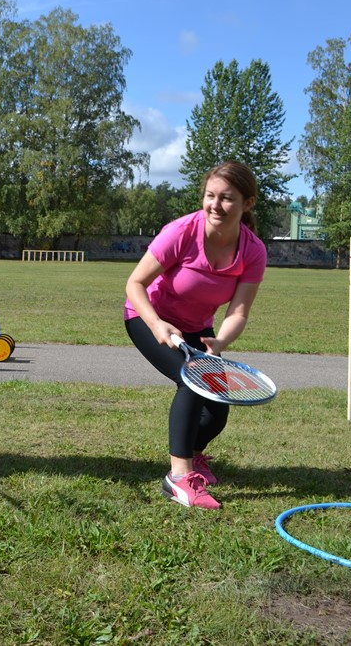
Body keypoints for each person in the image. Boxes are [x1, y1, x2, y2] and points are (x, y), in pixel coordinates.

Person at [124, 160, 266, 509]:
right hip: (149, 317)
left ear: (247, 203)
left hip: (199, 328)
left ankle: (194, 454)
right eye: (210, 196)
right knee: (190, 381)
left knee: (218, 406)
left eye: (227, 198)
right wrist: (157, 325)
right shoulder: (182, 232)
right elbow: (135, 284)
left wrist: (221, 342)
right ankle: (180, 477)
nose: (215, 205)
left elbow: (239, 310)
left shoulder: (253, 250)